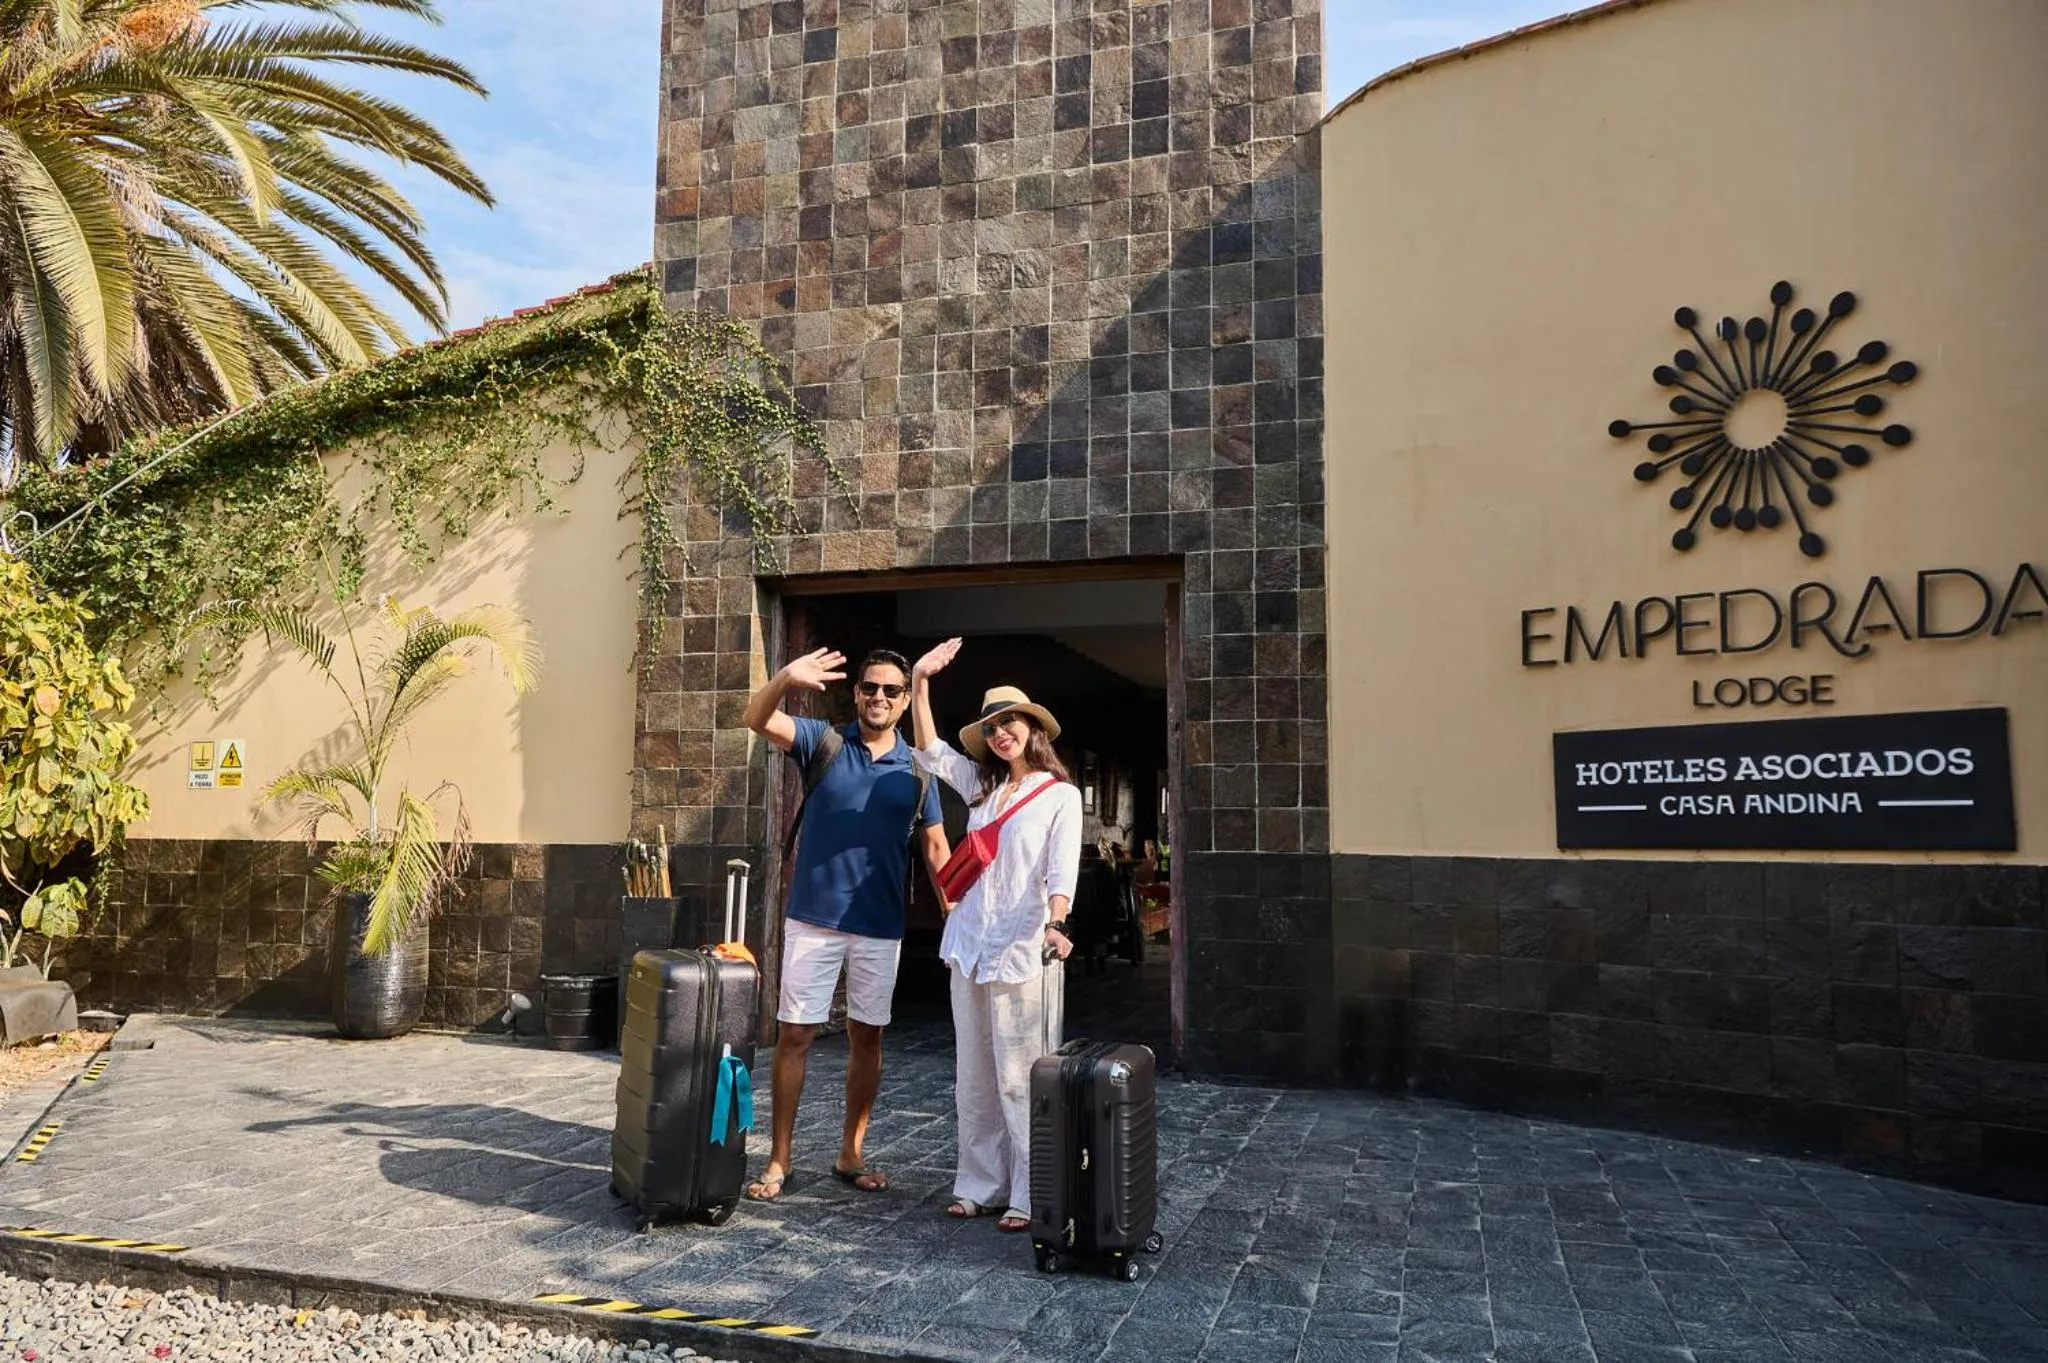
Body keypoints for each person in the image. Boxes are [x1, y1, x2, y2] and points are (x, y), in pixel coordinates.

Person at [742, 646, 949, 1201]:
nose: (878, 697)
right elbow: (755, 718)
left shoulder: (918, 768)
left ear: (906, 702)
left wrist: (959, 916)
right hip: (814, 917)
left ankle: (849, 1153)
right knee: (795, 1035)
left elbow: (935, 850)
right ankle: (779, 1158)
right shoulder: (822, 741)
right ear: (855, 692)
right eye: (869, 687)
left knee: (868, 1037)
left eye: (890, 691)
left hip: (880, 924)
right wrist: (786, 677)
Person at [909, 638, 1082, 1233]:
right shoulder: (982, 791)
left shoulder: (1060, 796)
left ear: (1032, 729)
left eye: (1009, 722)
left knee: (1021, 1073)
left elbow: (1061, 869)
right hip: (970, 943)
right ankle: (979, 1185)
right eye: (992, 726)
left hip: (1020, 946)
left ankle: (1032, 1192)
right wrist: (920, 679)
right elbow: (930, 750)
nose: (1001, 733)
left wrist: (1057, 922)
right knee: (974, 1073)